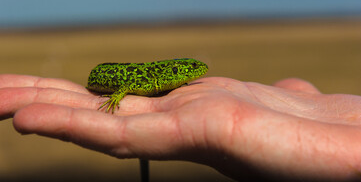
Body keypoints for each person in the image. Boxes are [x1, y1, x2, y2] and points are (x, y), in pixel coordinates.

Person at [1, 74, 361, 181]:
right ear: (173, 73)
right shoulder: (147, 80)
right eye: (188, 70)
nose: (197, 72)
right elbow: (120, 83)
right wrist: (114, 99)